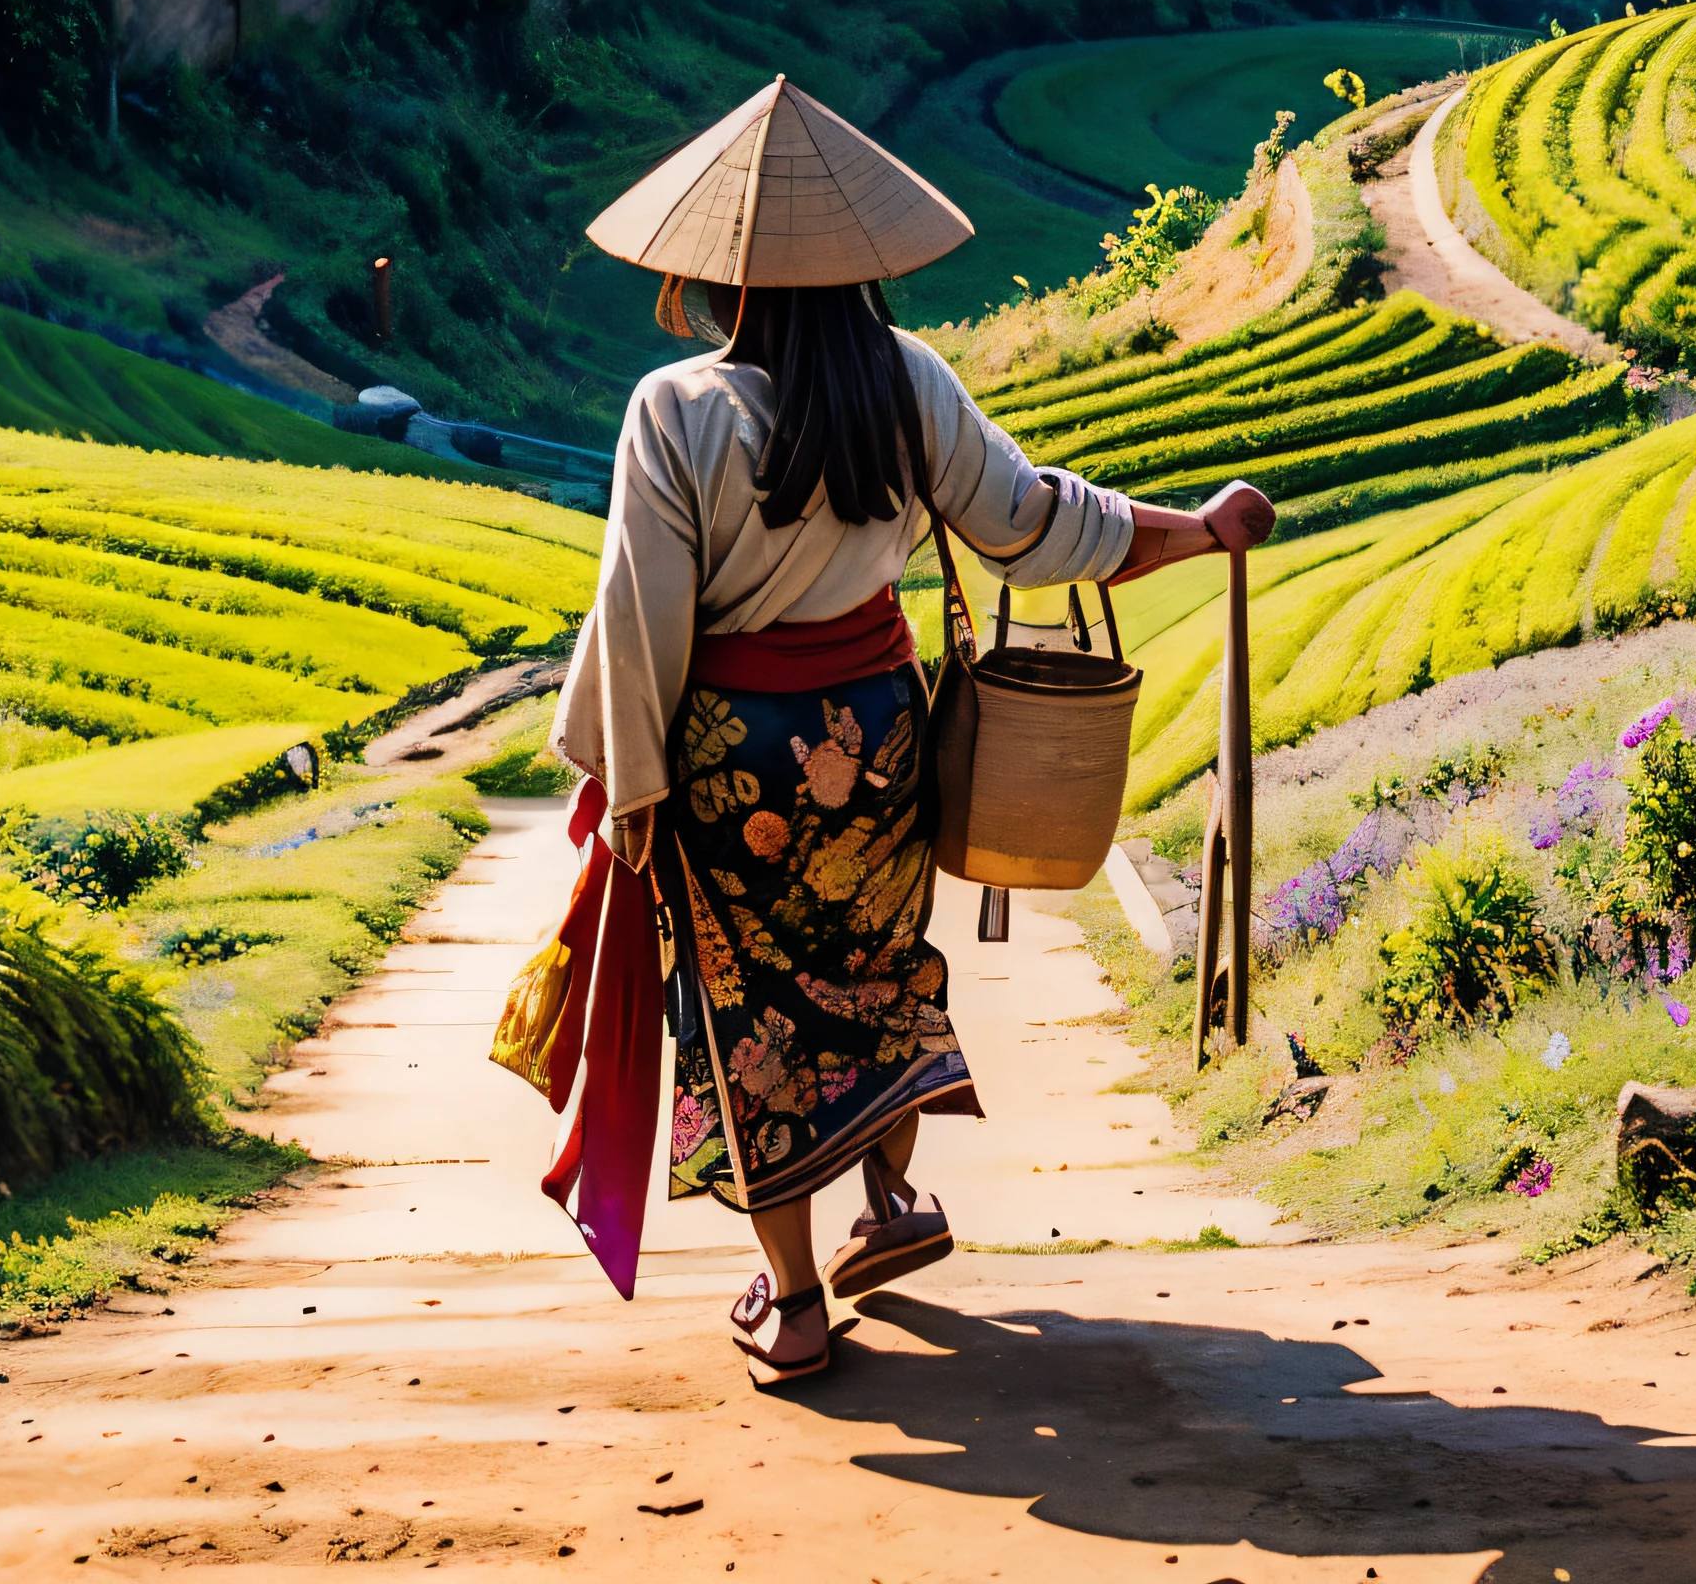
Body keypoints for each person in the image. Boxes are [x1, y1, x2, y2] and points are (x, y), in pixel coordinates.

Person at [535, 76, 1275, 1392]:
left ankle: (797, 1297)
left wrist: (633, 784)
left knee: (752, 1005)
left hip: (733, 760)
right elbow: (1039, 523)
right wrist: (1197, 530)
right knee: (874, 963)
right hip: (877, 738)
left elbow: (641, 611)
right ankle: (894, 1200)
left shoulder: (677, 409)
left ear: (723, 278)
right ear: (861, 261)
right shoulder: (910, 384)